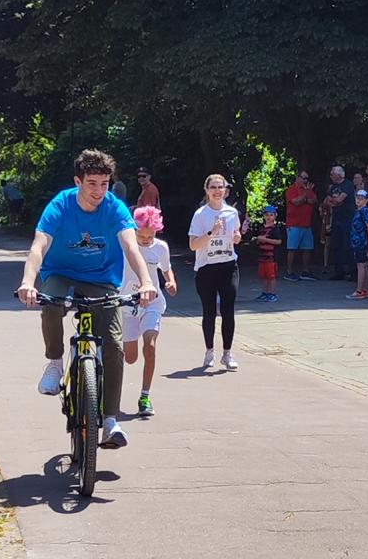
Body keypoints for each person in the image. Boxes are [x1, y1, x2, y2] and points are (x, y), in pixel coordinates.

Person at [18, 148, 156, 449]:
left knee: (114, 345)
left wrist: (146, 282)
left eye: (104, 184)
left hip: (101, 279)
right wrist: (28, 282)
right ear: (77, 181)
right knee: (51, 303)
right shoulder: (61, 204)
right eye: (92, 183)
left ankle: (110, 421)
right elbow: (39, 246)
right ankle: (55, 363)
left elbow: (131, 247)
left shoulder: (114, 208)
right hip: (61, 272)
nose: (99, 191)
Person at [121, 205, 176, 415]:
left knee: (150, 346)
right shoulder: (125, 245)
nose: (145, 240)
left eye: (150, 236)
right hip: (128, 303)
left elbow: (167, 269)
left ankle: (145, 396)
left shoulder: (161, 247)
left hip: (152, 302)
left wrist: (171, 282)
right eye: (141, 236)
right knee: (130, 357)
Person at [188, 172, 243, 368]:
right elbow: (193, 245)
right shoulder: (200, 214)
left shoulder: (232, 213)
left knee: (228, 310)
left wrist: (237, 237)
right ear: (207, 190)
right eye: (213, 187)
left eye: (221, 187)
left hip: (228, 265)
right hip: (207, 268)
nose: (217, 191)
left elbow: (236, 233)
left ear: (225, 190)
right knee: (209, 311)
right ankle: (209, 350)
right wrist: (212, 232)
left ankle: (227, 354)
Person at [284, 170, 318, 279]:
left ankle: (305, 271)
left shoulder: (308, 189)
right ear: (297, 178)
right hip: (294, 224)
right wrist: (306, 195)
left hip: (306, 224)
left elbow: (314, 200)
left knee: (308, 248)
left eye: (307, 178)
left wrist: (305, 197)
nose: (305, 180)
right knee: (292, 248)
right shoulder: (292, 189)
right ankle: (289, 271)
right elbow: (296, 202)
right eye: (303, 178)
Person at [321, 165, 352, 278]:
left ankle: (352, 271)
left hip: (347, 218)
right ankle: (338, 271)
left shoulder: (347, 184)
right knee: (337, 245)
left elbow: (339, 199)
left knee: (348, 245)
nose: (330, 176)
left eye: (332, 174)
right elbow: (327, 201)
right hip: (336, 218)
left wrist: (335, 201)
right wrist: (335, 202)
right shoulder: (333, 186)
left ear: (338, 175)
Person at [253, 202, 282, 302]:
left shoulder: (275, 229)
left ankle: (272, 293)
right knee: (263, 276)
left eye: (271, 215)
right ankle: (265, 292)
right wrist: (258, 240)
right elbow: (258, 240)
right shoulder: (261, 228)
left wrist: (265, 240)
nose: (269, 217)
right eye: (267, 215)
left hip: (272, 257)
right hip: (262, 256)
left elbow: (279, 241)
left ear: (275, 216)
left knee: (271, 276)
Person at [349, 184, 368, 297]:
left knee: (361, 265)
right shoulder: (358, 211)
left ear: (366, 200)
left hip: (362, 242)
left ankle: (359, 290)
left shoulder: (365, 211)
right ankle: (365, 289)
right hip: (357, 242)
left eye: (361, 198)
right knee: (363, 265)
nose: (358, 200)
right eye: (357, 198)